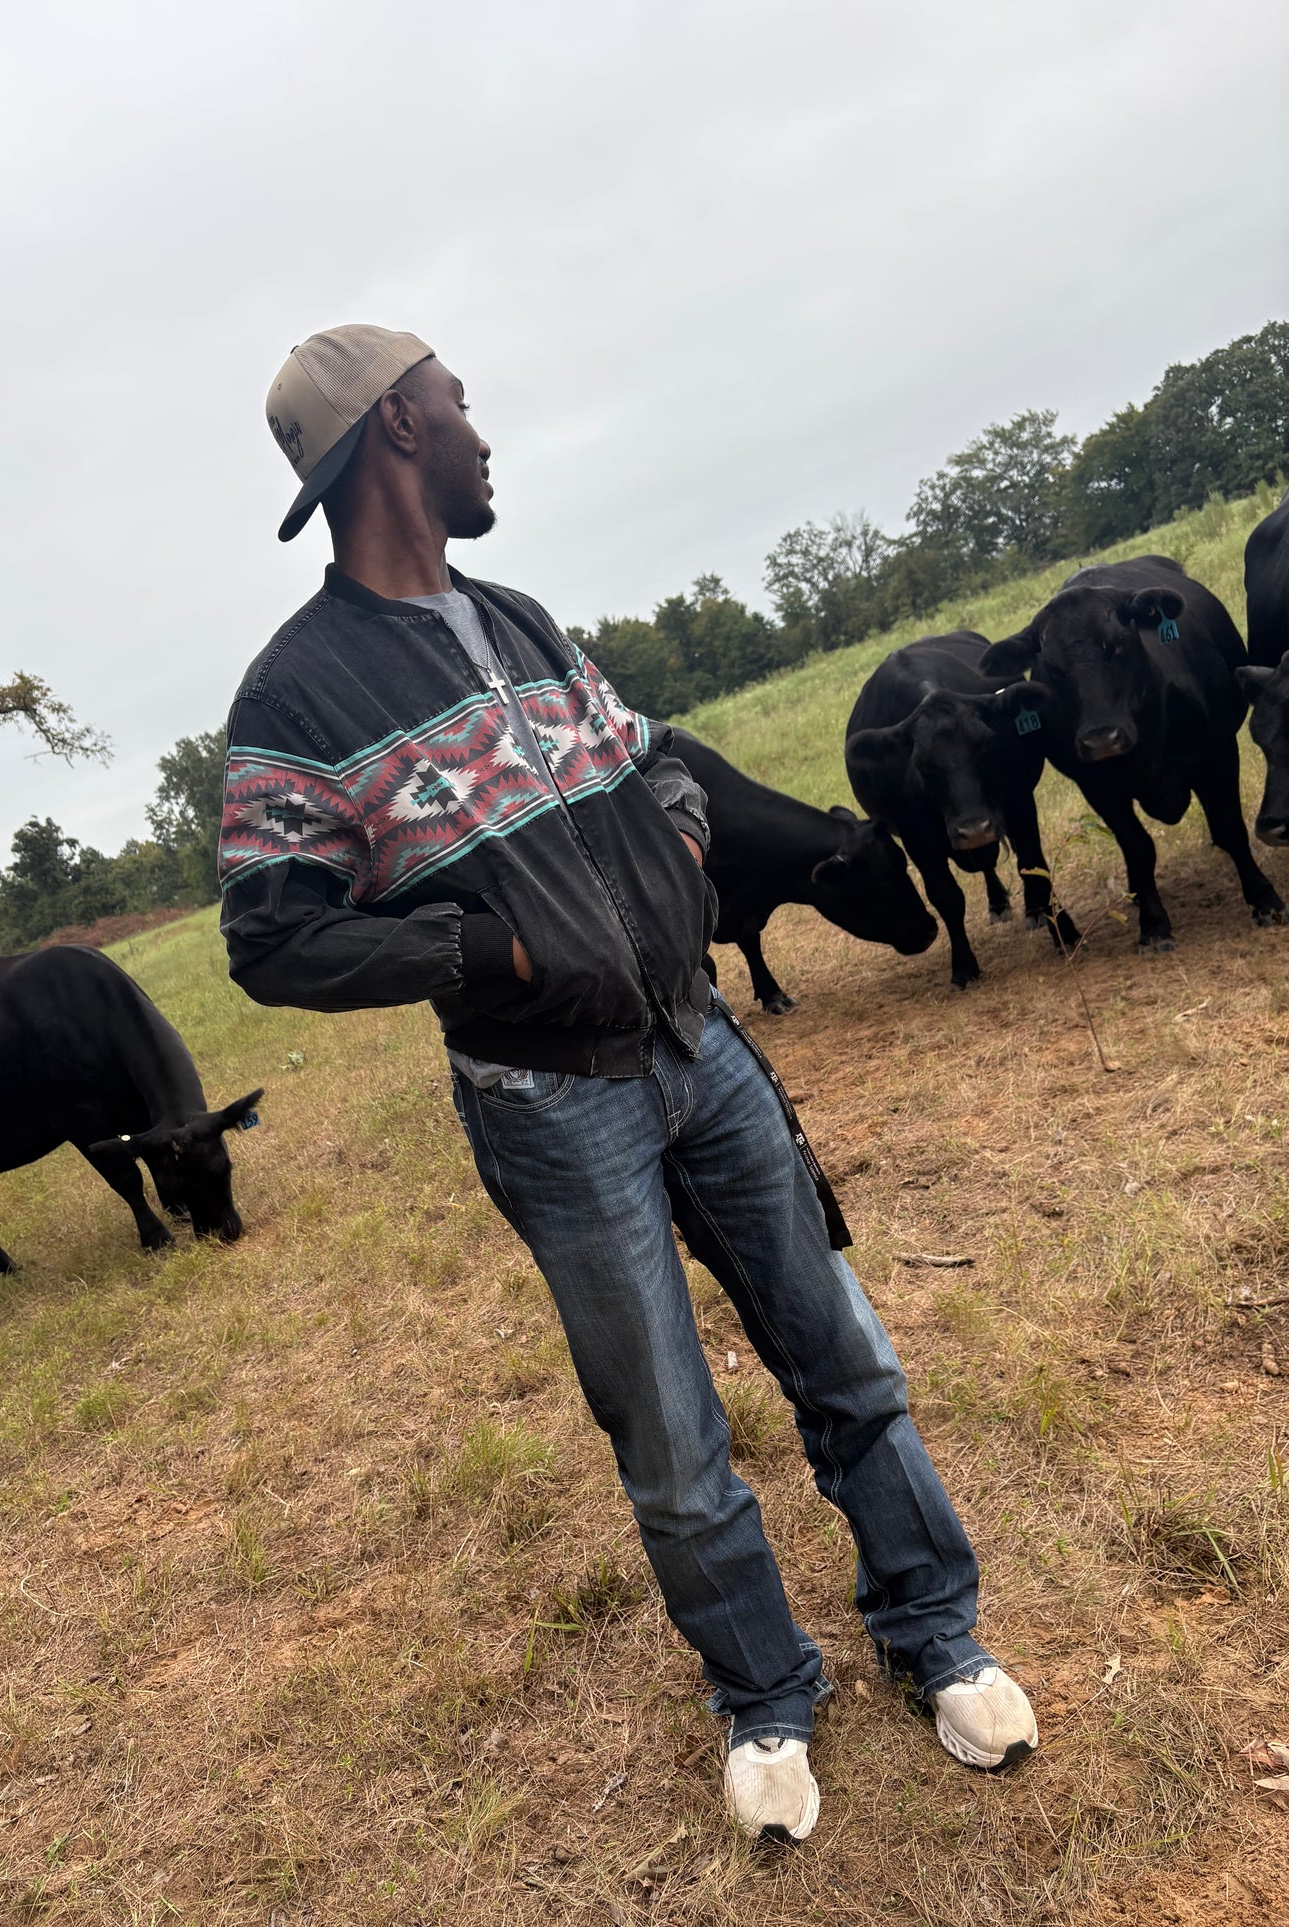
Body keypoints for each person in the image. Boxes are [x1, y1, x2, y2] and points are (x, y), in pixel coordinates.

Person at [218, 324, 1038, 1842]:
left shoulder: (514, 619)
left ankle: (935, 1630)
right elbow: (269, 939)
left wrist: (671, 818)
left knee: (842, 1361)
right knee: (670, 1440)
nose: (481, 433)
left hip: (698, 1047)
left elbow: (644, 746)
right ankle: (763, 1699)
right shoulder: (299, 694)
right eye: (459, 407)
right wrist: (490, 952)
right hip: (549, 1106)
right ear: (397, 428)